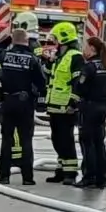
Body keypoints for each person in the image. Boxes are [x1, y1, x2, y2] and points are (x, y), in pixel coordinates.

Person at [0, 11, 45, 186]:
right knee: (26, 140)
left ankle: (4, 175)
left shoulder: (4, 56)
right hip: (25, 103)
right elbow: (41, 82)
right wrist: (36, 95)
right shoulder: (32, 59)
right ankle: (27, 177)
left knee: (7, 139)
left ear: (13, 40)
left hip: (7, 101)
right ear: (26, 41)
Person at [44, 20, 84, 184]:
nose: (53, 42)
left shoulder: (75, 57)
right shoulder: (60, 57)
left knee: (65, 139)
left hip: (66, 107)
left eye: (55, 39)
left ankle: (70, 173)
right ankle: (61, 169)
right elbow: (49, 75)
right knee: (57, 139)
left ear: (63, 39)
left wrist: (73, 104)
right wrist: (48, 61)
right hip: (55, 106)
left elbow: (77, 83)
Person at [75, 33, 106, 189]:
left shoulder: (89, 67)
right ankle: (101, 177)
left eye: (85, 46)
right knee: (99, 143)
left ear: (92, 49)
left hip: (89, 108)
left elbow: (81, 87)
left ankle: (89, 176)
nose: (83, 49)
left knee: (87, 143)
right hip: (103, 107)